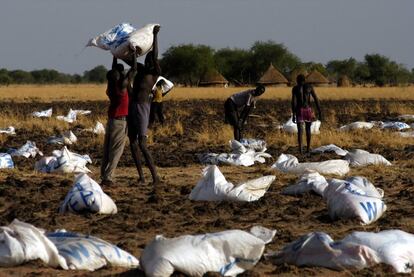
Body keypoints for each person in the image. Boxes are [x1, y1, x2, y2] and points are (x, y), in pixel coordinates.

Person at [128, 25, 161, 191]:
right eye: (147, 60)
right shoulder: (140, 71)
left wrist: (155, 36)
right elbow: (130, 63)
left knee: (142, 144)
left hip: (142, 107)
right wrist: (132, 51)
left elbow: (154, 55)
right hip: (132, 106)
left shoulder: (154, 72)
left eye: (151, 60)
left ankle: (155, 176)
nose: (149, 61)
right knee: (132, 143)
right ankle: (141, 176)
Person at [100, 49, 138, 186]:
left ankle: (104, 174)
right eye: (120, 72)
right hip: (120, 121)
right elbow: (133, 70)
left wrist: (115, 55)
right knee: (116, 150)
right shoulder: (122, 86)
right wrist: (133, 53)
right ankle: (108, 177)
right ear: (119, 75)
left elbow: (114, 70)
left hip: (111, 120)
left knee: (107, 150)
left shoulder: (111, 85)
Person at [291, 74, 322, 154]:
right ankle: (308, 149)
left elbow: (294, 102)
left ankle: (301, 150)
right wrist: (319, 111)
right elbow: (316, 99)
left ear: (297, 80)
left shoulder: (295, 88)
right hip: (308, 110)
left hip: (299, 110)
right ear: (305, 80)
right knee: (308, 130)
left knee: (300, 131)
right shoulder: (309, 87)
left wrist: (293, 114)